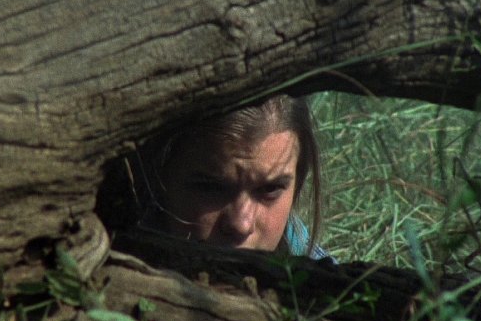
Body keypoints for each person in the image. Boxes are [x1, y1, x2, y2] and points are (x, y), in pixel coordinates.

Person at [131, 94, 332, 260]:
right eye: (212, 188)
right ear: (158, 177)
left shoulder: (320, 279)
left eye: (270, 189)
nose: (241, 225)